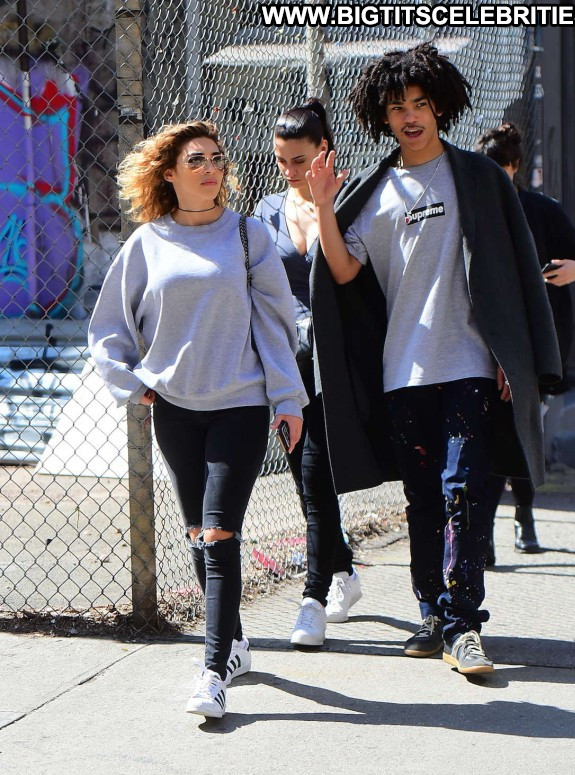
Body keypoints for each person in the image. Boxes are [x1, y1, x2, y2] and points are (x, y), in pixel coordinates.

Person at [307, 43, 561, 674]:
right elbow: (343, 271)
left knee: (462, 489)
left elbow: (513, 272)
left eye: (420, 103)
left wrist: (513, 356)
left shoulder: (477, 177)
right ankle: (431, 612)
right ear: (382, 116)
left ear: (440, 106)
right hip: (403, 372)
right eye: (398, 107)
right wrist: (324, 205)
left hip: (470, 364)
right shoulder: (376, 191)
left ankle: (463, 623)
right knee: (422, 495)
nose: (411, 116)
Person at [88, 120, 307, 718]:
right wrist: (132, 382)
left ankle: (212, 672)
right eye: (196, 160)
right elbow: (108, 325)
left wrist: (288, 399)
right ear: (169, 173)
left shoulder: (248, 236)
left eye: (216, 159)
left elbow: (277, 324)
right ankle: (234, 644)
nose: (210, 169)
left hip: (240, 404)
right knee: (197, 534)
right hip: (176, 410)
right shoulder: (147, 243)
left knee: (218, 532)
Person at [254, 99, 362, 647]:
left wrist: (324, 206)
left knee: (317, 475)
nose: (290, 171)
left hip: (337, 362)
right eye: (281, 160)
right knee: (306, 479)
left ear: (324, 150)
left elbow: (350, 278)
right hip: (287, 365)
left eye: (300, 159)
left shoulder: (350, 198)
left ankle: (313, 598)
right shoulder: (267, 210)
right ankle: (344, 570)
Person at [475, 122, 575, 560]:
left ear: (514, 167)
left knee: (522, 431)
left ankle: (521, 517)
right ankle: (487, 532)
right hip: (487, 342)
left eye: (499, 169)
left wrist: (571, 270)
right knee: (493, 434)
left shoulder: (542, 210)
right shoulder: (473, 212)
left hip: (538, 342)